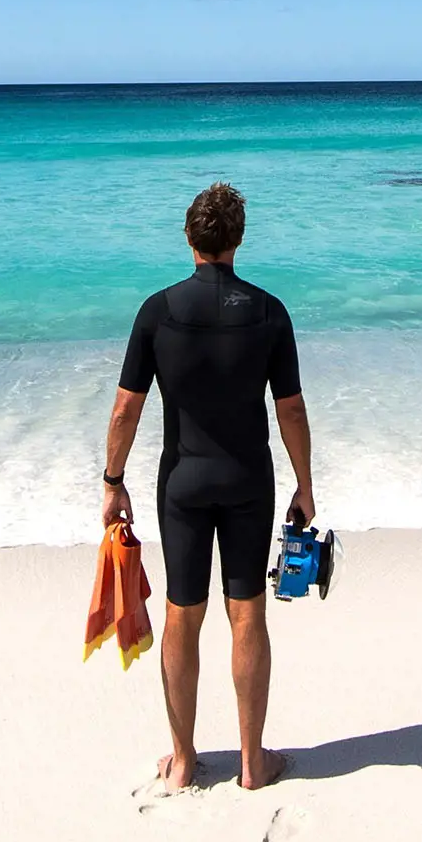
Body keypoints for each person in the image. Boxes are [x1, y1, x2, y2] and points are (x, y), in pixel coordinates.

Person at [99, 181, 313, 792]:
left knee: (181, 614)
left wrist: (113, 482)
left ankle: (185, 761)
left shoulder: (158, 312)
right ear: (237, 240)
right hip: (248, 479)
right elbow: (290, 411)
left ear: (189, 238)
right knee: (247, 614)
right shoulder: (270, 312)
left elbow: (124, 411)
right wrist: (304, 484)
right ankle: (252, 763)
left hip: (182, 483)